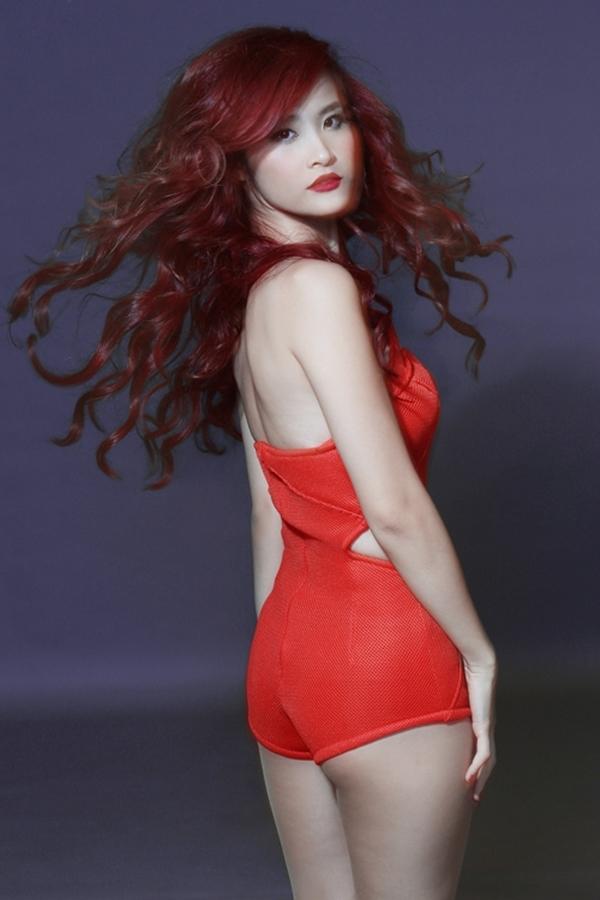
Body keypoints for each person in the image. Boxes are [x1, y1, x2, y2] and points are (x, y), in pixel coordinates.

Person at [7, 24, 513, 900]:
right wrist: (477, 654)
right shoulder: (317, 290)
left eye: (333, 119)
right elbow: (393, 507)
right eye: (282, 132)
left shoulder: (258, 304)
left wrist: (285, 666)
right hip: (383, 656)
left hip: (287, 659)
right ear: (233, 161)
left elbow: (268, 514)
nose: (322, 151)